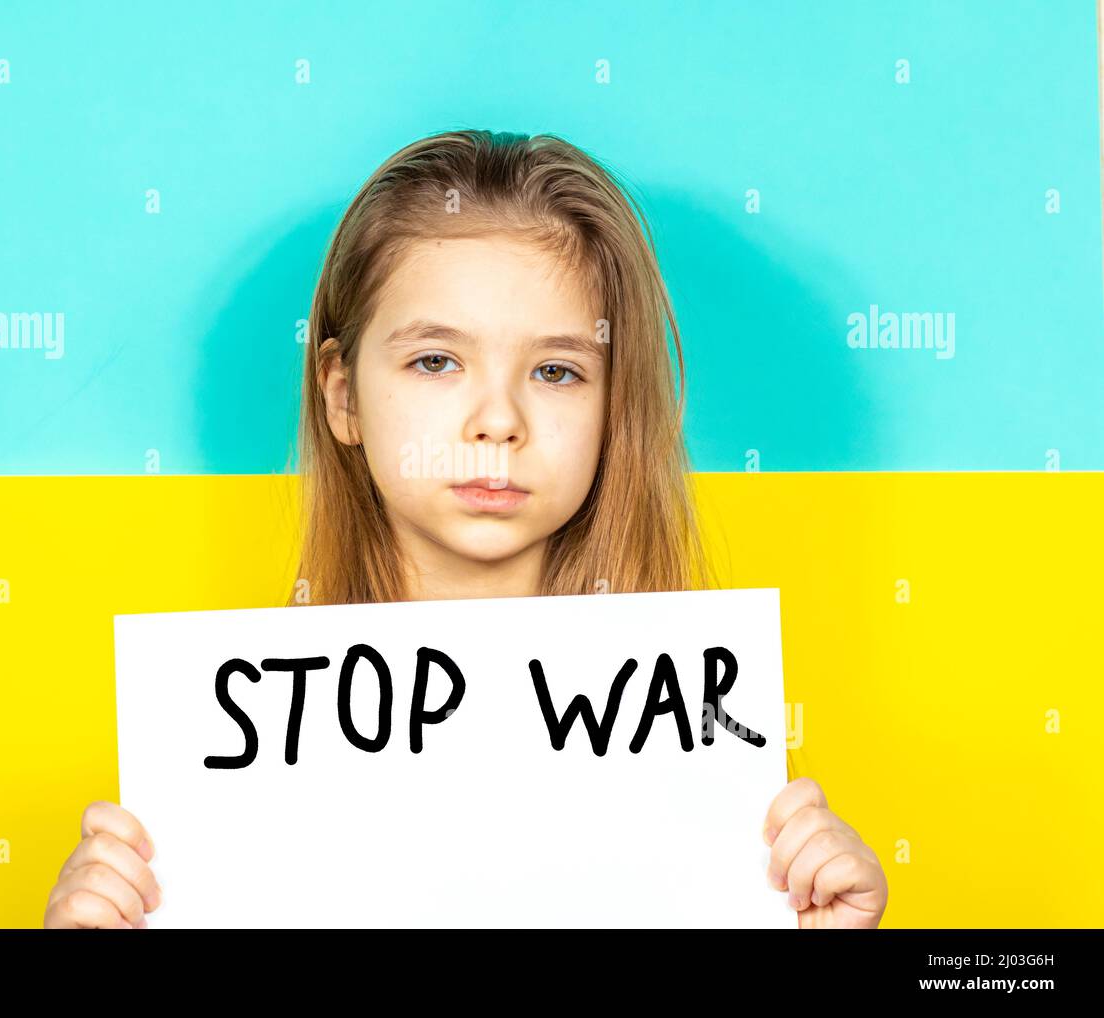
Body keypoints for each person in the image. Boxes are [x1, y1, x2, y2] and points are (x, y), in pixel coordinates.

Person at [44, 130, 888, 929]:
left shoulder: (710, 780)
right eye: (437, 361)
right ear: (342, 396)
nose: (498, 420)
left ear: (611, 407)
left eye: (556, 371)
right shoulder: (217, 779)